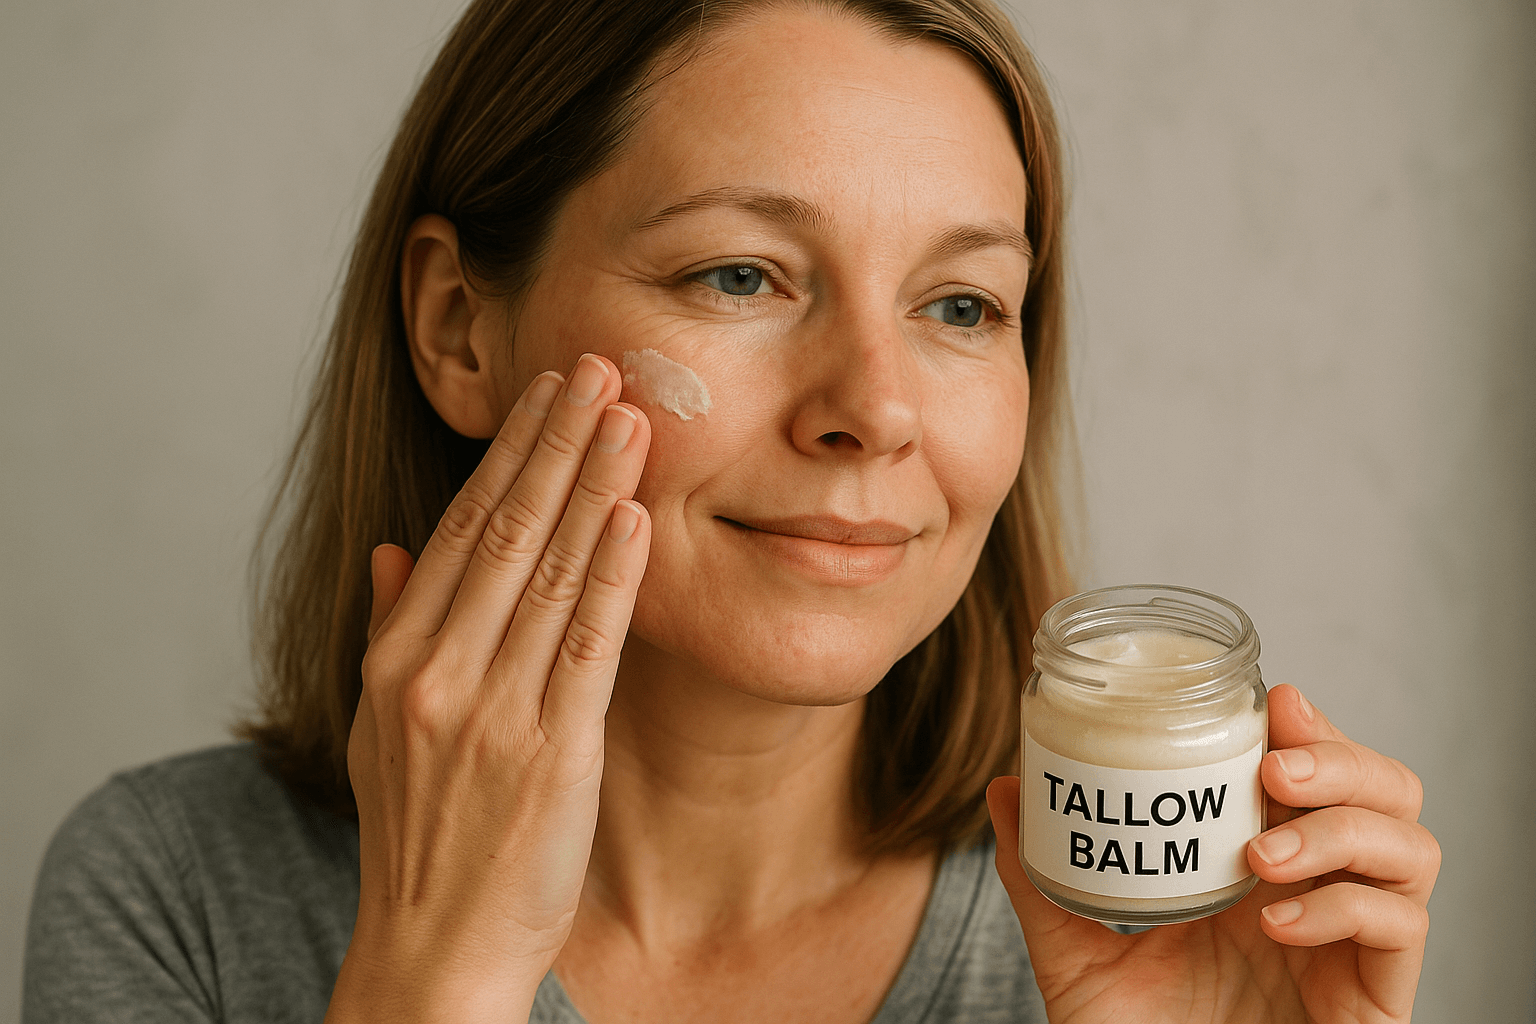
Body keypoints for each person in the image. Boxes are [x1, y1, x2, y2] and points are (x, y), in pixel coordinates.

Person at [23, 0, 1441, 1021]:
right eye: (740, 277)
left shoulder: (1160, 938)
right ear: (461, 326)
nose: (874, 408)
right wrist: (432, 982)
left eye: (961, 304)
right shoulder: (173, 896)